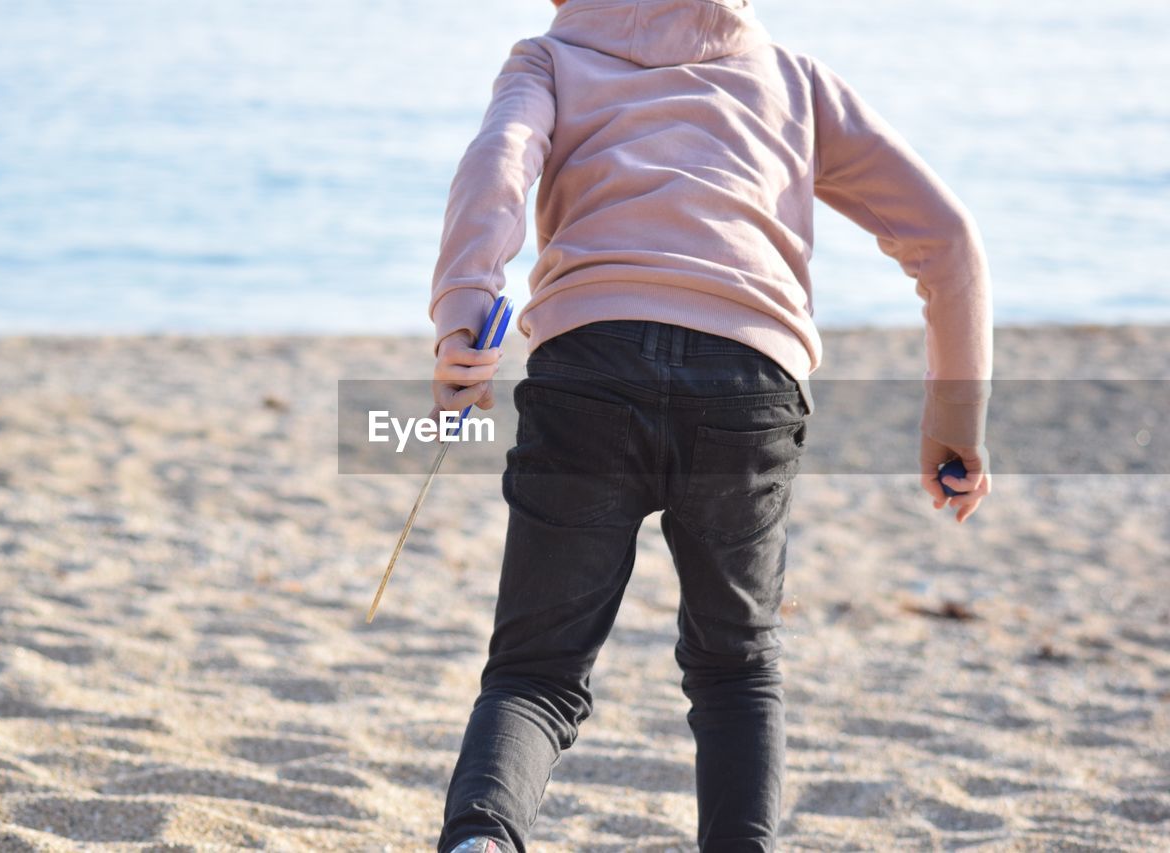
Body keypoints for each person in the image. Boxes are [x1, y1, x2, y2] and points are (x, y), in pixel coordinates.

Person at [425, 0, 992, 850]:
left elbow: (499, 163)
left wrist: (466, 307)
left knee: (535, 672)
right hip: (748, 386)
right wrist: (954, 415)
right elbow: (947, 238)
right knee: (736, 669)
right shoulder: (794, 83)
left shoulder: (549, 60)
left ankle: (482, 840)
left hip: (591, 369)